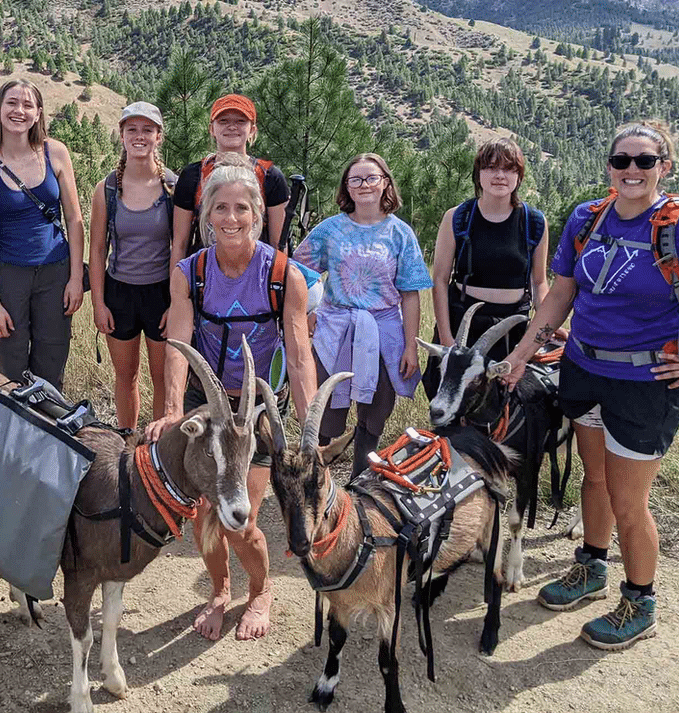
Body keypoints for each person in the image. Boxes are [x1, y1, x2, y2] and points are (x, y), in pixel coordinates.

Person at [504, 121, 679, 651]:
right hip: (584, 368)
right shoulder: (588, 217)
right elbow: (561, 293)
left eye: (645, 161)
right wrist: (521, 354)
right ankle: (592, 564)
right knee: (596, 479)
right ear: (609, 165)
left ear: (664, 167)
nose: (633, 169)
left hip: (646, 382)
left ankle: (640, 599)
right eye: (623, 160)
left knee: (630, 501)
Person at [146, 153, 317, 641]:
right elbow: (178, 343)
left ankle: (259, 592)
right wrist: (173, 410)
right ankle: (220, 590)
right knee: (203, 515)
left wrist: (308, 436)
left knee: (240, 519)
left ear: (259, 216)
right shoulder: (190, 272)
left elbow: (301, 357)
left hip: (258, 408)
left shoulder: (284, 275)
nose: (232, 218)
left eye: (243, 208)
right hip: (207, 402)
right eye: (220, 208)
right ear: (206, 217)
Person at [293, 153, 432, 477]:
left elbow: (410, 294)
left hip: (384, 334)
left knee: (373, 415)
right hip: (334, 331)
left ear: (385, 182)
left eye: (372, 178)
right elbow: (297, 274)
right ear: (347, 186)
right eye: (356, 179)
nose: (364, 184)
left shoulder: (400, 234)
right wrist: (309, 311)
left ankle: (359, 487)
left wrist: (411, 346)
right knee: (324, 412)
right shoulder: (330, 230)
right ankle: (314, 481)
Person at [0, 79, 86, 391]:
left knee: (52, 362)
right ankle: (12, 436)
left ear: (38, 114)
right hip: (10, 276)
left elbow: (75, 219)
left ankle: (47, 434)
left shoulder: (56, 153)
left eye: (27, 105)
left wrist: (76, 278)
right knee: (10, 368)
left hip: (56, 272)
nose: (18, 110)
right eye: (11, 103)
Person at [422, 138, 553, 400]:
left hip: (511, 328)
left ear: (519, 176)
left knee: (505, 402)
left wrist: (542, 334)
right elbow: (439, 280)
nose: (499, 175)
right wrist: (447, 340)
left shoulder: (534, 222)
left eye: (509, 168)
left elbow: (539, 283)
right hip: (463, 326)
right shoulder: (457, 217)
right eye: (491, 167)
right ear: (479, 173)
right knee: (451, 403)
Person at [89, 102, 175, 430]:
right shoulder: (108, 188)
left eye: (147, 130)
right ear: (122, 135)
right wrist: (99, 304)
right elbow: (97, 250)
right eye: (132, 130)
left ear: (158, 137)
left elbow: (179, 250)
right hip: (119, 292)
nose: (139, 136)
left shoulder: (172, 187)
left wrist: (176, 305)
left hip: (161, 294)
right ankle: (127, 440)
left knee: (162, 378)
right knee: (126, 376)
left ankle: (157, 449)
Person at [170, 93, 289, 264]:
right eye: (223, 121)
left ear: (253, 130)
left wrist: (280, 284)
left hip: (256, 274)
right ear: (212, 129)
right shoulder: (192, 176)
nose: (232, 127)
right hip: (204, 275)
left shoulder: (270, 177)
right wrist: (176, 287)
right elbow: (180, 243)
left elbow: (278, 243)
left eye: (241, 121)